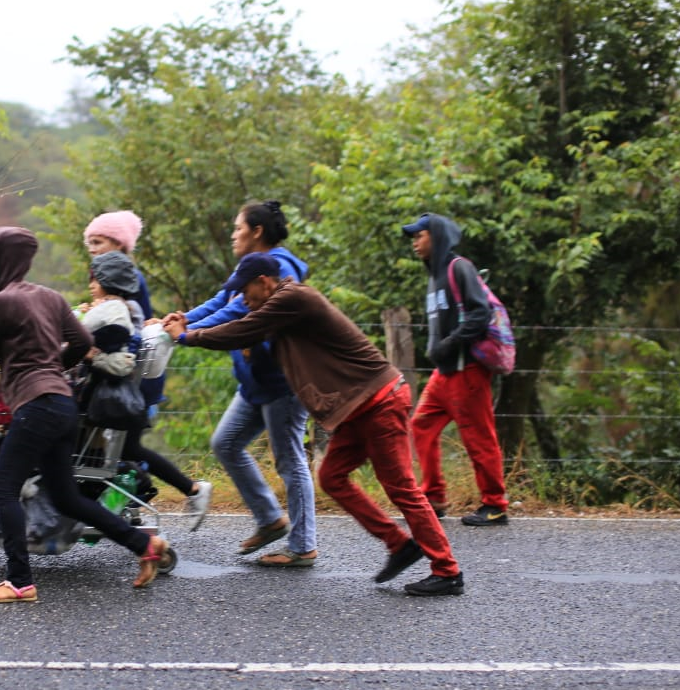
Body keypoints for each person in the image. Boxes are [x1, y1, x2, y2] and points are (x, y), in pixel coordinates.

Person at [165, 253, 465, 596]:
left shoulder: (293, 298)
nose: (242, 298)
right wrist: (186, 319)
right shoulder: (278, 311)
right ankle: (399, 544)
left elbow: (240, 329)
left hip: (380, 400)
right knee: (332, 478)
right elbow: (239, 322)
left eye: (246, 290)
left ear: (265, 281)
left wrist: (186, 336)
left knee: (401, 489)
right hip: (356, 407)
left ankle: (447, 570)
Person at [0, 226, 169, 603]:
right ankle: (145, 545)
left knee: (5, 489)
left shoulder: (1, 302)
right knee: (66, 496)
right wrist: (53, 365)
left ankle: (19, 582)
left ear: (3, 260)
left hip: (35, 407)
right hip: (62, 406)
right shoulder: (50, 298)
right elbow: (83, 343)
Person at [162, 201, 316, 566]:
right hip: (254, 383)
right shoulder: (248, 267)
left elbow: (240, 312)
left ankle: (303, 546)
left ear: (257, 231)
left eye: (237, 228)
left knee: (290, 461)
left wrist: (189, 334)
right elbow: (223, 300)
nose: (233, 235)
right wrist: (183, 318)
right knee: (225, 443)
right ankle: (270, 520)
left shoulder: (281, 267)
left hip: (282, 382)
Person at [83, 212, 212, 523]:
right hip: (128, 376)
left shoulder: (124, 279)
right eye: (89, 243)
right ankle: (135, 499)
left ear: (118, 242)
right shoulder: (116, 277)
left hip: (129, 379)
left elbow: (128, 324)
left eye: (98, 242)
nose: (92, 248)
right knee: (122, 449)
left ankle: (187, 489)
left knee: (125, 448)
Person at [402, 213, 510, 526]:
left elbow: (480, 314)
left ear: (436, 236)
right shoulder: (434, 276)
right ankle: (433, 496)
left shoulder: (458, 267)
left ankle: (495, 505)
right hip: (444, 374)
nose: (415, 242)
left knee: (479, 438)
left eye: (419, 235)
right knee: (420, 426)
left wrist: (448, 344)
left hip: (468, 370)